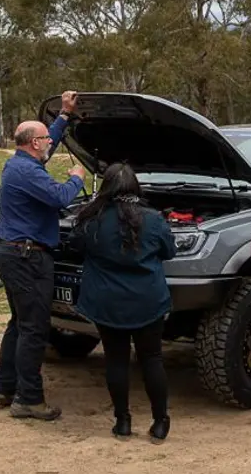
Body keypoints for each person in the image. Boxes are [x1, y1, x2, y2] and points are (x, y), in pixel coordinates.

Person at [0, 90, 85, 421]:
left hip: (13, 252)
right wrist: (77, 179)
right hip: (26, 257)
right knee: (33, 328)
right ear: (33, 143)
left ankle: (4, 388)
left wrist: (64, 115)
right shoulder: (28, 172)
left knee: (20, 323)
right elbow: (60, 198)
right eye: (45, 139)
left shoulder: (21, 162)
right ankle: (28, 399)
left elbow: (49, 144)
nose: (50, 143)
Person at [68, 163, 176, 442]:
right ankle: (160, 422)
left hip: (107, 302)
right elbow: (169, 251)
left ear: (106, 188)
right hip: (148, 300)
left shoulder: (92, 220)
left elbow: (75, 246)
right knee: (152, 359)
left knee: (116, 360)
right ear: (135, 187)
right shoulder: (154, 220)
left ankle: (123, 422)